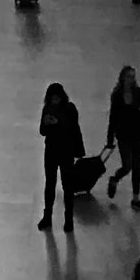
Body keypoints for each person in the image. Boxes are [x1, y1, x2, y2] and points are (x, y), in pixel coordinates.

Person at [38, 81, 86, 231]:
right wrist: (46, 123)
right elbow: (42, 131)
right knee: (50, 184)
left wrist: (57, 122)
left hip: (66, 152)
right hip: (52, 151)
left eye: (56, 98)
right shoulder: (47, 109)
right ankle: (47, 216)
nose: (55, 101)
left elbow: (71, 127)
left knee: (67, 186)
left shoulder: (70, 109)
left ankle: (69, 218)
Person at [105, 66, 140, 210]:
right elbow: (113, 117)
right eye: (128, 76)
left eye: (133, 76)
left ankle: (135, 198)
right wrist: (110, 137)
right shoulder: (117, 95)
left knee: (136, 165)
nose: (131, 79)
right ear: (122, 78)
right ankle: (115, 179)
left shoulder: (138, 92)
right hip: (123, 134)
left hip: (137, 131)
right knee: (128, 165)